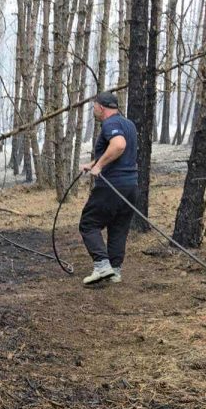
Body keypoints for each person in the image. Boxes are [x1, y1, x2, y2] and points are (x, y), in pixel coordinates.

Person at [79, 91, 139, 285]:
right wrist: (93, 163)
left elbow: (119, 145)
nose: (93, 110)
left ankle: (101, 265)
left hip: (113, 185)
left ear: (101, 107)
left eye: (94, 106)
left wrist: (99, 166)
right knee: (118, 227)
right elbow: (117, 151)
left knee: (88, 223)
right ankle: (114, 270)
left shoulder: (110, 123)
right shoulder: (127, 124)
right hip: (131, 186)